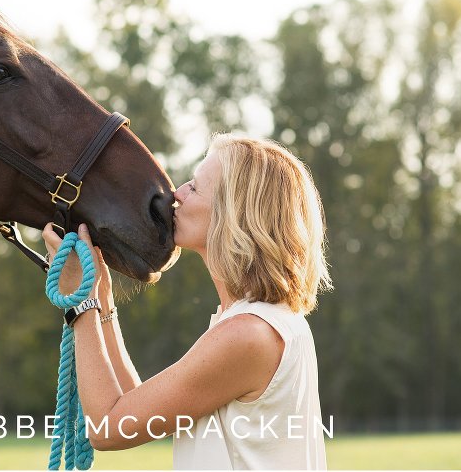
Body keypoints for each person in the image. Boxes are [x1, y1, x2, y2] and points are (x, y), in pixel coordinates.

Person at [42, 133, 332, 470]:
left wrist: (81, 302)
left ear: (233, 212)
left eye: (194, 187)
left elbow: (108, 428)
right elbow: (132, 407)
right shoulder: (259, 322)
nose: (177, 194)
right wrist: (100, 297)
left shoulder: (248, 334)